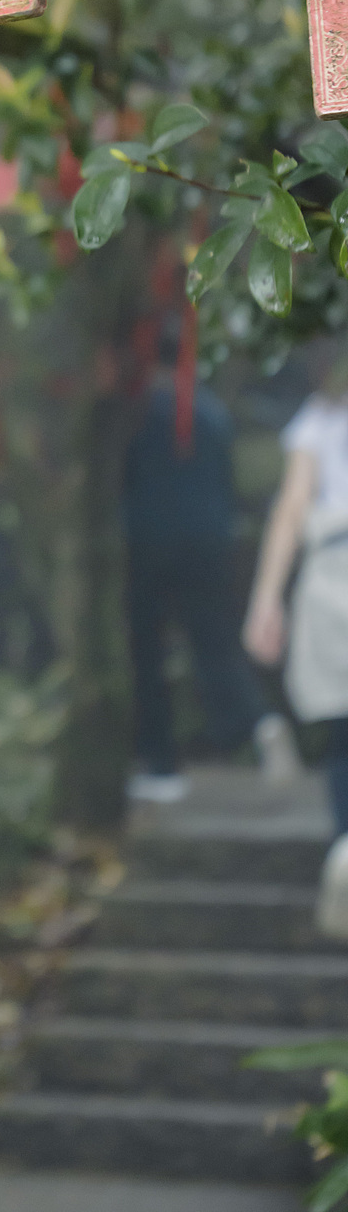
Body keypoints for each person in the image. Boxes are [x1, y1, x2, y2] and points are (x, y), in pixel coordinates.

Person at [124, 339, 300, 803]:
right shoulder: (214, 412)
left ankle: (161, 767)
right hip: (209, 544)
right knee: (214, 642)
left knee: (147, 653)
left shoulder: (137, 410)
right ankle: (260, 722)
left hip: (146, 544)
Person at [244, 372, 348, 933]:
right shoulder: (319, 415)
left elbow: (291, 509)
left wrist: (267, 599)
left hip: (332, 576)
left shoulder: (321, 416)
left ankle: (344, 851)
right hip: (332, 576)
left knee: (342, 732)